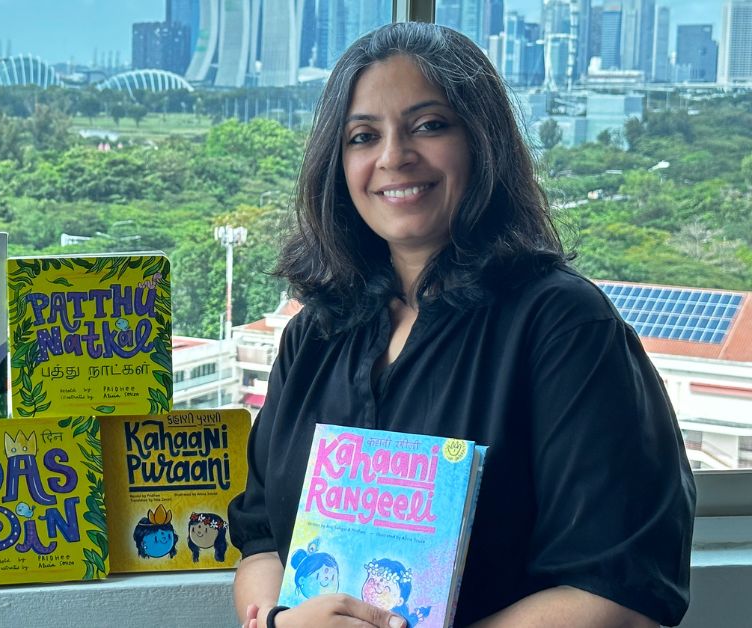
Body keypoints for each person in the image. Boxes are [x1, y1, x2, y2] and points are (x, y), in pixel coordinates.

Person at [227, 22, 695, 628]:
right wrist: (275, 623)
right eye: (363, 136)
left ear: (482, 140)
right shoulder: (314, 333)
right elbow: (263, 540)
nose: (394, 157)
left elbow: (620, 592)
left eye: (429, 125)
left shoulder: (565, 327)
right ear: (337, 166)